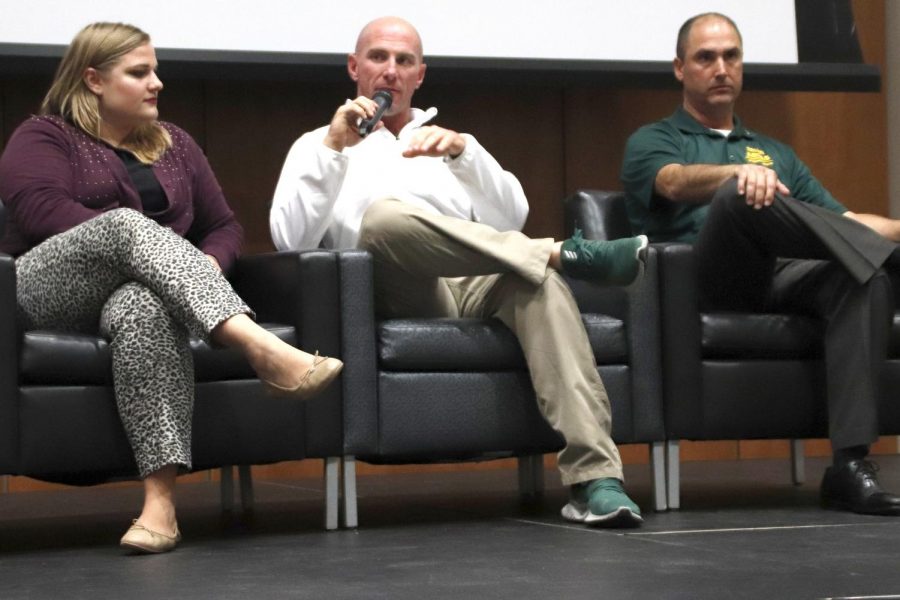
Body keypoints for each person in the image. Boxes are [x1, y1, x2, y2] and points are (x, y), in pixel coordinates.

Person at [271, 16, 649, 527]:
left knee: (536, 280)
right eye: (379, 58)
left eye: (404, 62)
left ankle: (594, 479)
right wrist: (335, 148)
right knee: (383, 217)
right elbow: (290, 240)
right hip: (391, 285)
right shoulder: (319, 143)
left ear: (420, 75)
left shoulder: (446, 141)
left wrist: (465, 153)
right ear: (354, 67)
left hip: (470, 278)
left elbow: (510, 219)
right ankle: (562, 252)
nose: (390, 71)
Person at [0, 22, 343, 554]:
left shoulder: (174, 144)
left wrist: (201, 263)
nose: (156, 82)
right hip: (44, 290)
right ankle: (259, 347)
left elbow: (225, 226)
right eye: (139, 73)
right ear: (93, 79)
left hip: (138, 293)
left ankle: (160, 507)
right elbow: (44, 215)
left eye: (155, 70)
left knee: (145, 307)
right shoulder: (43, 136)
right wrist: (158, 248)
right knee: (123, 226)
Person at [621, 12, 900, 516]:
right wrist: (738, 173)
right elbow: (675, 183)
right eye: (706, 57)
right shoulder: (654, 139)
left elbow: (846, 222)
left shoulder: (775, 151)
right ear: (680, 68)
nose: (721, 67)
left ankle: (849, 466)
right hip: (704, 279)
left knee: (864, 276)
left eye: (731, 56)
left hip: (780, 275)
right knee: (737, 197)